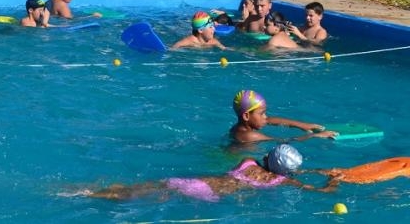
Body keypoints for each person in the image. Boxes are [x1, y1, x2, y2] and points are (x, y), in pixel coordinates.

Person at [79, 144, 308, 202]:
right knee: (151, 198)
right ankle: (105, 195)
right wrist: (333, 182)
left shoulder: (248, 162)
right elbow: (314, 189)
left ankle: (96, 193)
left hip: (199, 182)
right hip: (210, 196)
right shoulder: (279, 180)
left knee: (146, 190)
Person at [230, 90, 336, 143]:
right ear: (246, 116)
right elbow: (283, 140)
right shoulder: (250, 136)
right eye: (261, 113)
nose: (265, 117)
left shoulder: (239, 127)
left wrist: (302, 125)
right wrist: (315, 136)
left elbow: (269, 120)